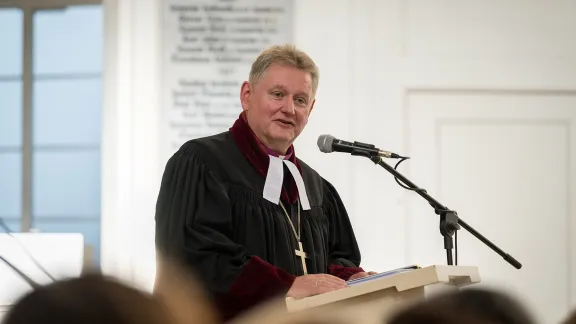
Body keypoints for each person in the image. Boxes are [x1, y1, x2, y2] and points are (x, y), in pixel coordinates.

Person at [154, 43, 374, 321]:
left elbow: (338, 259)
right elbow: (195, 258)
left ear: (311, 109)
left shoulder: (318, 188)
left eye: (301, 100)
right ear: (247, 95)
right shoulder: (201, 162)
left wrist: (354, 279)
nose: (289, 108)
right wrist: (285, 285)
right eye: (278, 94)